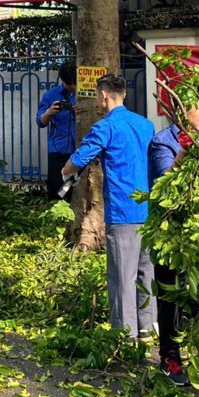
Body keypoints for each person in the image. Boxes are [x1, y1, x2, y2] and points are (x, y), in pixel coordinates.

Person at [63, 74, 156, 339]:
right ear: (123, 94)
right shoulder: (146, 124)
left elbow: (79, 158)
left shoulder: (106, 127)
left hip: (122, 210)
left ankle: (124, 336)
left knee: (121, 276)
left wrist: (64, 171)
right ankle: (147, 329)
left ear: (103, 96)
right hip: (147, 210)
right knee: (144, 272)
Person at [148, 102, 199, 386]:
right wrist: (185, 150)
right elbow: (164, 183)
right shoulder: (163, 142)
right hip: (169, 237)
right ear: (183, 113)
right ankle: (170, 359)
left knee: (195, 300)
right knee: (171, 299)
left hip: (195, 237)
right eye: (198, 110)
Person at [36, 63, 78, 200]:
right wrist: (49, 113)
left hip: (80, 149)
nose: (71, 87)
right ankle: (57, 214)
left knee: (75, 186)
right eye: (68, 83)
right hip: (58, 148)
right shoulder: (51, 96)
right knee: (57, 187)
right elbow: (40, 122)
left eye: (74, 83)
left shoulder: (85, 94)